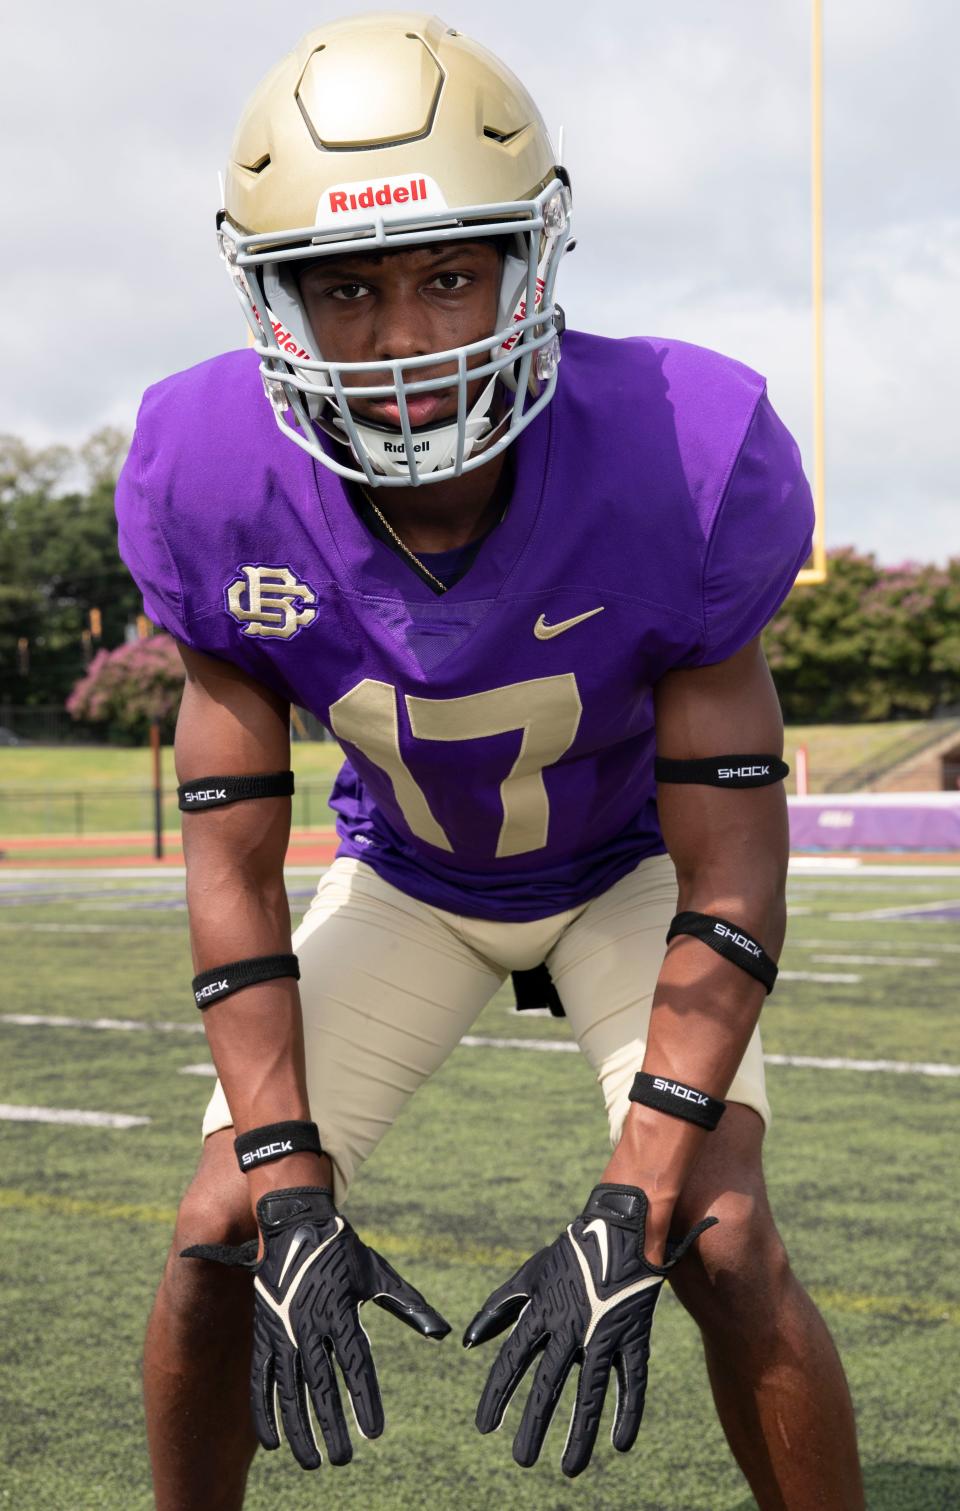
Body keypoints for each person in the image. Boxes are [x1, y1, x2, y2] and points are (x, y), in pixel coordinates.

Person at [118, 12, 865, 1508]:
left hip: (626, 876)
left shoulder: (684, 445)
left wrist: (633, 1199)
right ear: (275, 299)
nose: (405, 343)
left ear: (531, 262)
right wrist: (288, 1180)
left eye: (451, 275)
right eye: (348, 291)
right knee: (217, 1230)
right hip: (408, 876)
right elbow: (231, 867)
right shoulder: (206, 467)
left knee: (718, 1230)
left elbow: (732, 874)